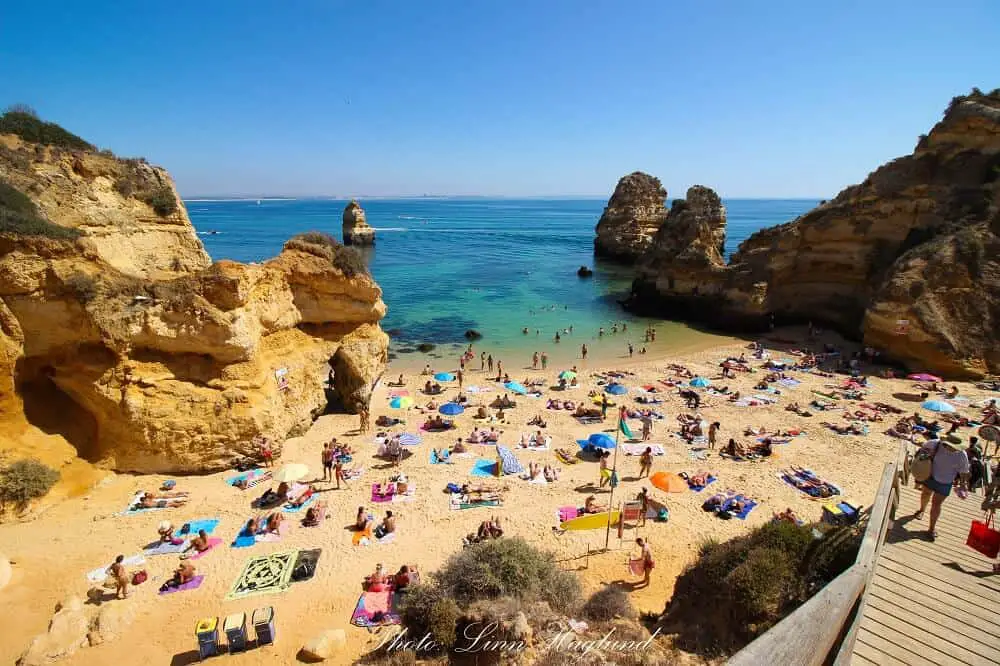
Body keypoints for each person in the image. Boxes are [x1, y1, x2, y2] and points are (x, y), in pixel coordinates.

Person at [913, 435, 971, 540]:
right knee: (925, 494)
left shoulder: (962, 455)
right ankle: (921, 510)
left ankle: (931, 529)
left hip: (945, 482)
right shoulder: (934, 444)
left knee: (936, 504)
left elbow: (963, 471)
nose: (954, 450)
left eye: (956, 448)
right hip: (930, 475)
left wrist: (963, 484)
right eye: (952, 447)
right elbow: (921, 452)